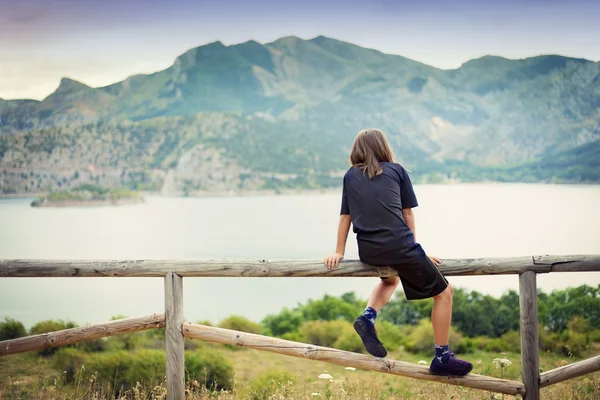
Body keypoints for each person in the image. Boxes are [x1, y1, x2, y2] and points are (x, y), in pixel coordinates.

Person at [323, 128, 472, 376]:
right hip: (400, 247)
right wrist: (416, 251)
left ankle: (368, 317)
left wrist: (338, 251)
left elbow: (345, 217)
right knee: (445, 292)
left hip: (368, 251)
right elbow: (407, 214)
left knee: (390, 279)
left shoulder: (350, 175)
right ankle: (442, 357)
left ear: (357, 150)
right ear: (383, 147)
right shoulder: (396, 170)